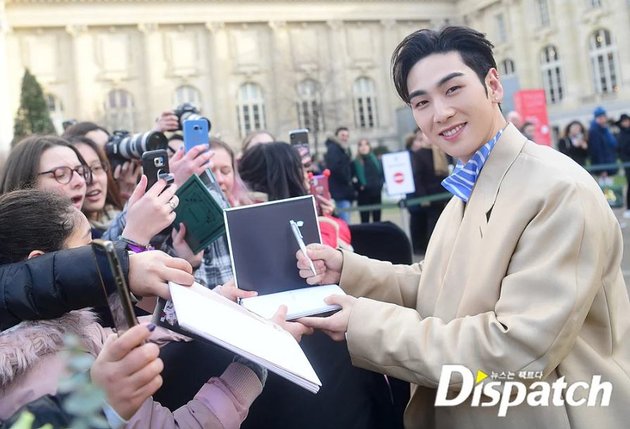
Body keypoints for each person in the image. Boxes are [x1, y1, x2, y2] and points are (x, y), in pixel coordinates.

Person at [295, 26, 630, 429]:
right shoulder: (472, 182)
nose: (440, 113)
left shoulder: (558, 190)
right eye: (422, 102)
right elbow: (439, 286)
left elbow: (515, 348)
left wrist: (363, 324)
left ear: (493, 84)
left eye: (452, 89)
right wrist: (347, 270)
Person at [0, 189, 265, 427]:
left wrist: (212, 307)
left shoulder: (56, 329)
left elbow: (127, 336)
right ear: (41, 262)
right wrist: (251, 370)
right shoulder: (52, 375)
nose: (98, 256)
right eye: (89, 246)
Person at [67, 135, 123, 237]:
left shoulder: (118, 214)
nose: (93, 179)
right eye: (80, 171)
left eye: (97, 168)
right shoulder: (75, 239)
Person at [406, 128, 449, 254]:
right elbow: (417, 178)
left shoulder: (440, 151)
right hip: (429, 195)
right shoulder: (418, 154)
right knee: (433, 223)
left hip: (442, 193)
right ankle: (434, 249)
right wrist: (423, 197)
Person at [324, 127, 355, 224]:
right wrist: (347, 179)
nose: (345, 138)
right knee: (344, 222)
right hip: (340, 191)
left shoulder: (342, 149)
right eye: (342, 135)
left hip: (342, 190)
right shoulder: (334, 149)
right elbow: (335, 168)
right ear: (337, 136)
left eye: (347, 136)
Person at [353, 138, 384, 223]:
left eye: (366, 144)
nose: (363, 147)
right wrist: (360, 187)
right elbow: (352, 178)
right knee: (365, 220)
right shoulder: (355, 162)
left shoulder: (376, 160)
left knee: (377, 220)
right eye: (361, 145)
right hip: (363, 195)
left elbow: (381, 174)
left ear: (369, 146)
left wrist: (380, 185)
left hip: (376, 193)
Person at [588, 106, 618, 185]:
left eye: (604, 116)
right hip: (603, 169)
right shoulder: (594, 131)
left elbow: (612, 145)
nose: (603, 118)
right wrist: (602, 169)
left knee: (610, 191)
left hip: (609, 165)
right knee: (606, 191)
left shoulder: (605, 129)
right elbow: (597, 151)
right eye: (600, 117)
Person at [616, 113, 630, 217]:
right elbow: (621, 151)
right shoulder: (620, 135)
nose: (627, 122)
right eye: (624, 121)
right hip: (628, 164)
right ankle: (628, 207)